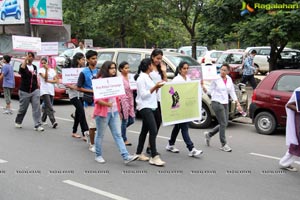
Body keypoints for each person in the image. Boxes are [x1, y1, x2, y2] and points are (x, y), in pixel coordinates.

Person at [93, 61, 138, 164]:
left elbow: (118, 97)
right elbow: (96, 99)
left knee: (118, 134)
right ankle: (98, 155)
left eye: (114, 68)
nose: (114, 70)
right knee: (100, 134)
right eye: (111, 68)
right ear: (106, 69)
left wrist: (119, 111)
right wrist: (106, 104)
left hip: (115, 112)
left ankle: (126, 156)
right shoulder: (99, 81)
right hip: (103, 113)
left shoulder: (115, 81)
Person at [166, 61, 203, 157]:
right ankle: (191, 148)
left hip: (185, 108)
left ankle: (170, 144)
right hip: (179, 107)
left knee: (178, 127)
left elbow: (192, 90)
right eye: (184, 68)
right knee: (184, 127)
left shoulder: (188, 79)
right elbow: (172, 93)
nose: (186, 70)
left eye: (187, 68)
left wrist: (200, 85)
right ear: (180, 69)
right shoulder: (176, 80)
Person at [203, 63, 243, 152]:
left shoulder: (229, 79)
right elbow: (210, 90)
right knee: (223, 123)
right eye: (221, 69)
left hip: (225, 103)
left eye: (225, 70)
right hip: (216, 102)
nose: (223, 72)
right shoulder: (216, 79)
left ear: (228, 71)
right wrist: (204, 89)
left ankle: (209, 134)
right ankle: (223, 144)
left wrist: (238, 103)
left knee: (225, 123)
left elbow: (232, 91)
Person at [135, 58, 166, 166]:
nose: (153, 66)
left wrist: (157, 87)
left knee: (145, 130)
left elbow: (151, 92)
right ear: (149, 66)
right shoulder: (141, 78)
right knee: (153, 129)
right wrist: (155, 87)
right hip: (145, 106)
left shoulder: (148, 77)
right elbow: (143, 95)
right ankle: (154, 156)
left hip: (152, 105)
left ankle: (138, 153)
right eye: (152, 64)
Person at [15, 52, 44, 131]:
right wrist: (25, 60)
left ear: (33, 58)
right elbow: (21, 71)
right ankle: (18, 121)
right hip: (24, 91)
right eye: (29, 56)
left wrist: (38, 86)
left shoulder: (34, 67)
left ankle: (37, 125)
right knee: (23, 109)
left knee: (36, 108)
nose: (30, 58)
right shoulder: (22, 66)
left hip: (34, 90)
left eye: (31, 56)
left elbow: (34, 77)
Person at [146, 48, 167, 154]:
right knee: (149, 125)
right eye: (157, 58)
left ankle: (150, 145)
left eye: (160, 59)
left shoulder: (160, 68)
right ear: (152, 57)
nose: (159, 60)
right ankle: (148, 147)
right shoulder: (148, 66)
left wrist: (164, 71)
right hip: (149, 98)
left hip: (158, 98)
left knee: (157, 122)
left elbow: (165, 82)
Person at [77, 50, 98, 152]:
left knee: (98, 124)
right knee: (93, 125)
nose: (95, 60)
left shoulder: (99, 71)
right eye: (93, 59)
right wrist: (91, 91)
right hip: (89, 102)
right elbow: (78, 87)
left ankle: (89, 135)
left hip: (99, 102)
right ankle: (92, 144)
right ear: (88, 60)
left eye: (96, 58)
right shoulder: (84, 72)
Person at [65, 52, 89, 139]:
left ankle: (74, 131)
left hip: (82, 94)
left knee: (78, 113)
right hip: (73, 95)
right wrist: (74, 87)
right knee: (82, 112)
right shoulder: (70, 70)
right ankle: (85, 133)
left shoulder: (84, 70)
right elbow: (66, 84)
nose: (84, 61)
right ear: (78, 60)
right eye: (83, 59)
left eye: (84, 59)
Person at [279, 87, 300, 172]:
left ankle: (284, 163)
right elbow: (289, 105)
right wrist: (298, 109)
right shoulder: (298, 91)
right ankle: (284, 163)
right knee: (296, 145)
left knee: (296, 146)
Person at [118, 61, 135, 146]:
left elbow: (134, 86)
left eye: (128, 68)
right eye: (126, 68)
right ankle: (123, 138)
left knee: (132, 119)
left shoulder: (130, 77)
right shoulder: (120, 79)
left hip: (131, 99)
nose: (127, 70)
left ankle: (120, 132)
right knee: (125, 120)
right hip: (123, 100)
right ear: (121, 69)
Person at [39, 57, 58, 128]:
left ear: (48, 63)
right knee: (49, 105)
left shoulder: (52, 70)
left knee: (47, 105)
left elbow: (56, 80)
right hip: (44, 90)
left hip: (51, 90)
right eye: (42, 63)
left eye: (45, 63)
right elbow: (45, 78)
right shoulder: (41, 70)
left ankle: (42, 119)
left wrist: (49, 81)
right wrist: (46, 70)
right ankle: (53, 121)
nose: (43, 64)